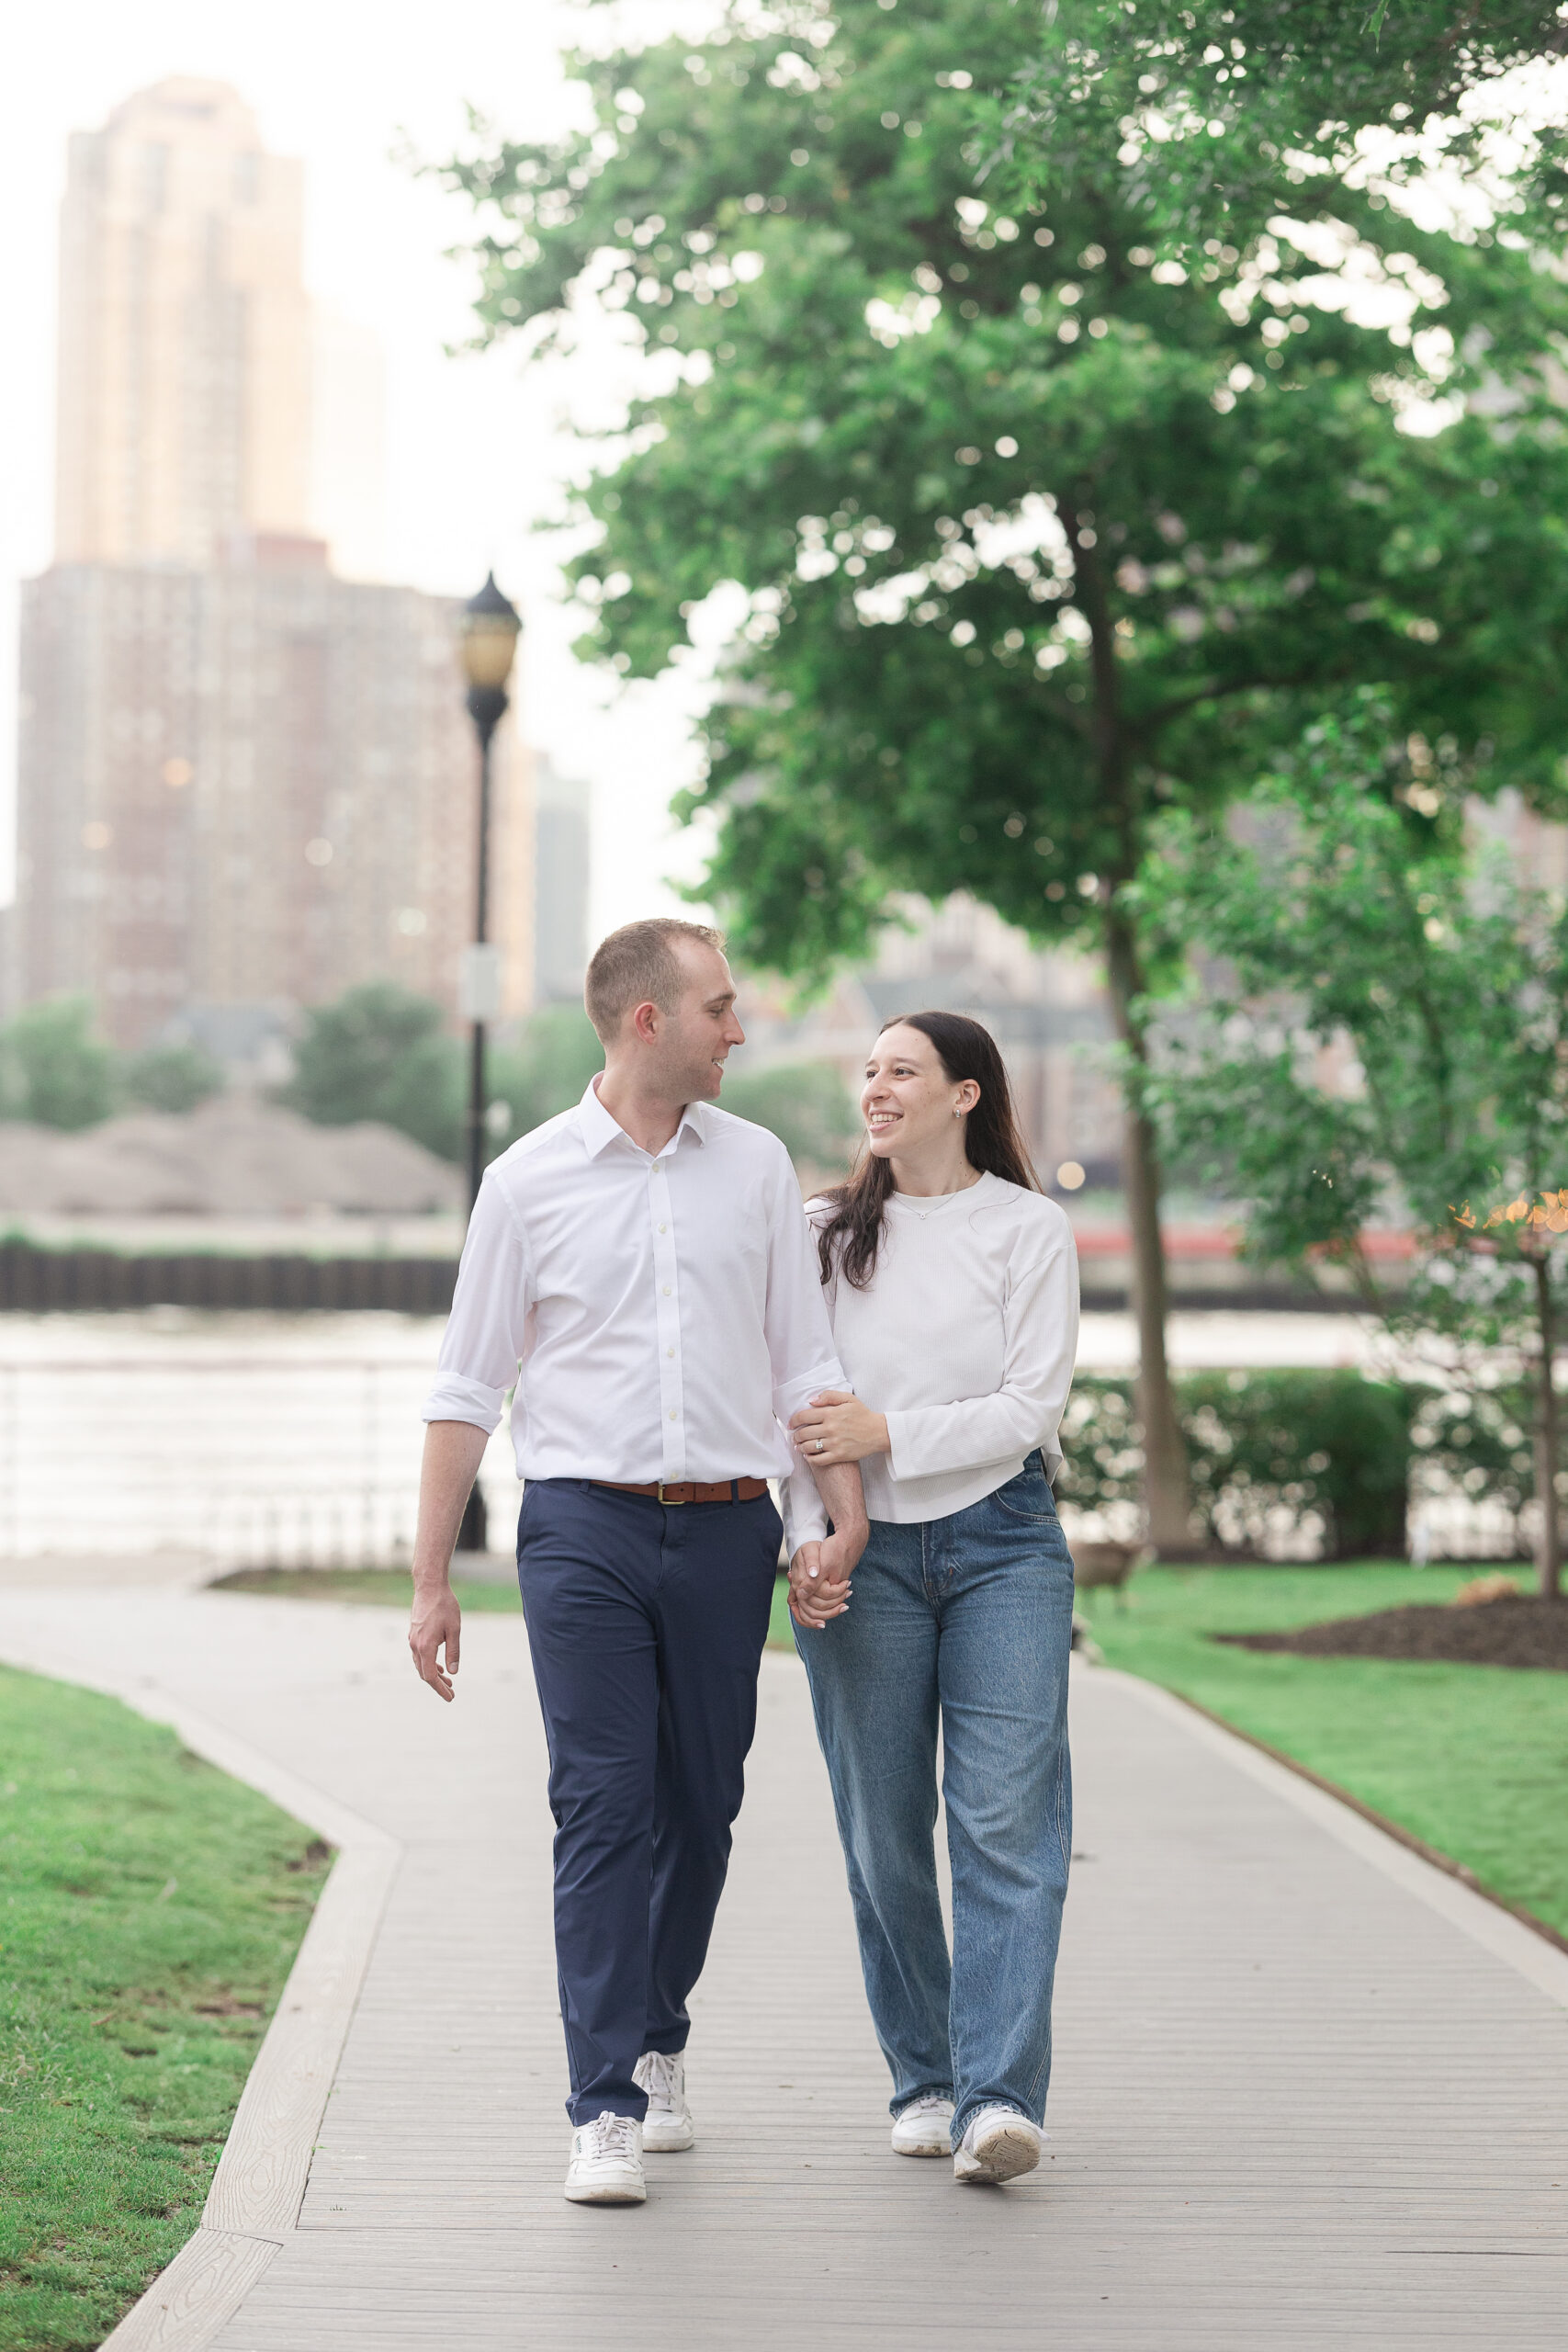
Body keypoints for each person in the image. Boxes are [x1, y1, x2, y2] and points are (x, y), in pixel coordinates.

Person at [408, 919, 866, 2207]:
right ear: (644, 1021)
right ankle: (601, 2100)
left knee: (701, 1808)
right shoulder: (526, 1180)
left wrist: (839, 1515)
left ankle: (657, 2031)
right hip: (582, 1530)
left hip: (728, 1527)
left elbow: (803, 1364)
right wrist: (431, 1578)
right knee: (601, 1804)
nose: (739, 1028)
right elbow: (465, 1386)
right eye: (720, 1006)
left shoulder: (758, 1166)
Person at [784, 1010, 1078, 2188]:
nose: (876, 1088)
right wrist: (809, 1534)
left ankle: (999, 2099)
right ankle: (924, 2078)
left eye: (901, 1070)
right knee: (885, 1829)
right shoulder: (821, 1231)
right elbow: (788, 1403)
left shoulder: (1028, 1229)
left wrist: (890, 1429)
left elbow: (1029, 1408)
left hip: (1006, 1545)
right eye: (868, 1071)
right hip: (867, 1559)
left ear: (965, 1094)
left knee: (1007, 1822)